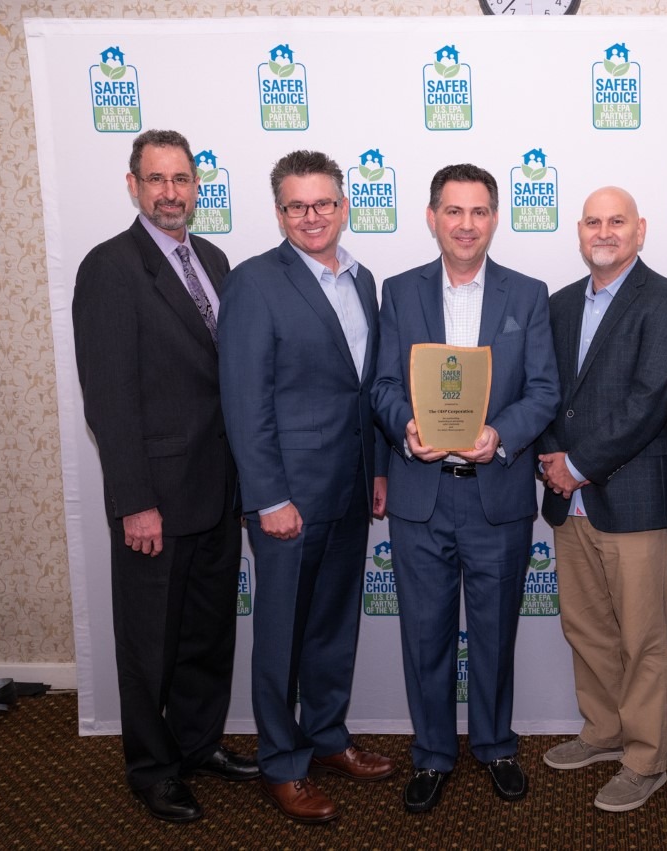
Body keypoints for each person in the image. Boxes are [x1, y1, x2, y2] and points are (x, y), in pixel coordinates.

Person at [72, 129, 258, 823]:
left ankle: (198, 744)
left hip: (218, 489)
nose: (170, 192)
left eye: (181, 179)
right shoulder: (110, 268)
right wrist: (135, 502)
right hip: (155, 500)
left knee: (206, 634)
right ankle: (152, 768)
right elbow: (109, 399)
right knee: (150, 644)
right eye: (156, 179)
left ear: (196, 187)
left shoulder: (212, 258)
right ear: (133, 185)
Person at [372, 163, 560, 814]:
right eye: (453, 211)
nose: (466, 224)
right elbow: (382, 386)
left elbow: (544, 390)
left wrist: (500, 434)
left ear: (495, 219)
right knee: (424, 636)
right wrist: (405, 426)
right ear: (432, 218)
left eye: (479, 211)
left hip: (495, 494)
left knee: (494, 633)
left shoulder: (527, 294)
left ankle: (496, 744)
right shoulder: (399, 292)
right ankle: (431, 753)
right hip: (421, 495)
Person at [218, 150, 395, 824]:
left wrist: (377, 467)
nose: (311, 215)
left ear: (344, 206)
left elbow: (365, 388)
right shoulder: (254, 283)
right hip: (287, 499)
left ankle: (326, 736)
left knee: (332, 627)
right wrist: (268, 498)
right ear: (279, 212)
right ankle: (282, 763)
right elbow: (245, 402)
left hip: (349, 488)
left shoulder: (363, 279)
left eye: (323, 203)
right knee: (282, 636)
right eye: (297, 205)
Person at [537, 187, 667, 812]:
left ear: (640, 230)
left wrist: (576, 466)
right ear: (580, 232)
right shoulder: (558, 304)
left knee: (642, 638)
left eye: (617, 221)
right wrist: (553, 458)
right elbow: (543, 391)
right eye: (593, 222)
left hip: (632, 497)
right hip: (568, 497)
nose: (604, 232)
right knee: (586, 627)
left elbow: (649, 402)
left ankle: (644, 759)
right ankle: (603, 729)